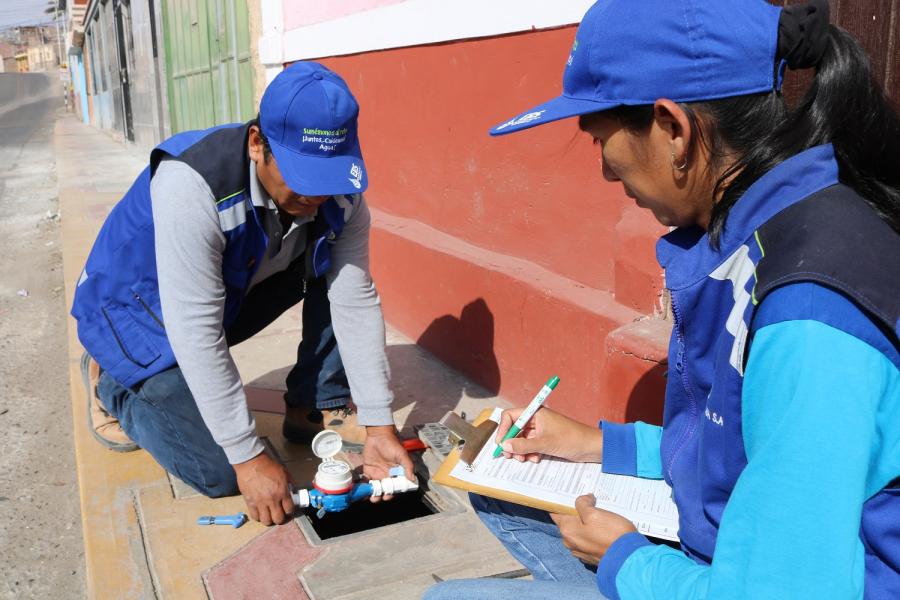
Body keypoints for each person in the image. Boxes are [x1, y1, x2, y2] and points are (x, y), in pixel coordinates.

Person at [425, 0, 899, 598]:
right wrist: (598, 443)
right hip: (731, 548)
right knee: (501, 494)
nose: (604, 171)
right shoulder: (753, 232)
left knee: (447, 597)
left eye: (601, 141)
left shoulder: (808, 314)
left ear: (674, 129)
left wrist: (626, 560)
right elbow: (740, 442)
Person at [71, 61, 414, 526]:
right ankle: (111, 378)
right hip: (134, 313)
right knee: (218, 471)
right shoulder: (193, 183)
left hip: (223, 291)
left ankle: (315, 401)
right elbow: (195, 329)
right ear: (257, 144)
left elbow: (353, 297)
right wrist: (247, 456)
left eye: (326, 176)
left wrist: (379, 424)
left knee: (331, 265)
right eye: (302, 176)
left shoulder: (341, 194)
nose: (316, 196)